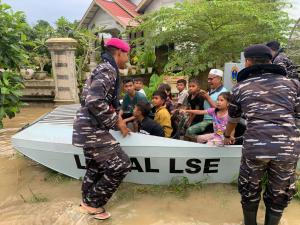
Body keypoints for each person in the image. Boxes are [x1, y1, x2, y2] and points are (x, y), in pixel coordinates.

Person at [224, 44, 300, 225]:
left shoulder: (241, 87)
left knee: (249, 188)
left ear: (248, 62)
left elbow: (233, 119)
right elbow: (298, 117)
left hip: (255, 148)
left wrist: (227, 136)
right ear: (270, 60)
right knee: (279, 193)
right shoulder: (294, 85)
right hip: (287, 148)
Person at [72, 38, 132, 220]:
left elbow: (89, 97)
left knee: (95, 167)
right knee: (122, 165)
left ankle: (86, 202)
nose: (127, 59)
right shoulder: (108, 70)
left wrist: (116, 114)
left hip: (87, 126)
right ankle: (93, 203)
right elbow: (94, 100)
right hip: (91, 129)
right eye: (127, 55)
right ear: (119, 53)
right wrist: (118, 122)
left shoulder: (101, 67)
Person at [186, 69, 227, 136]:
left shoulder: (224, 92)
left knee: (189, 131)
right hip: (204, 118)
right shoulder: (210, 90)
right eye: (208, 79)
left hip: (213, 121)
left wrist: (208, 98)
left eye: (211, 79)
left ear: (219, 79)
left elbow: (220, 110)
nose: (209, 81)